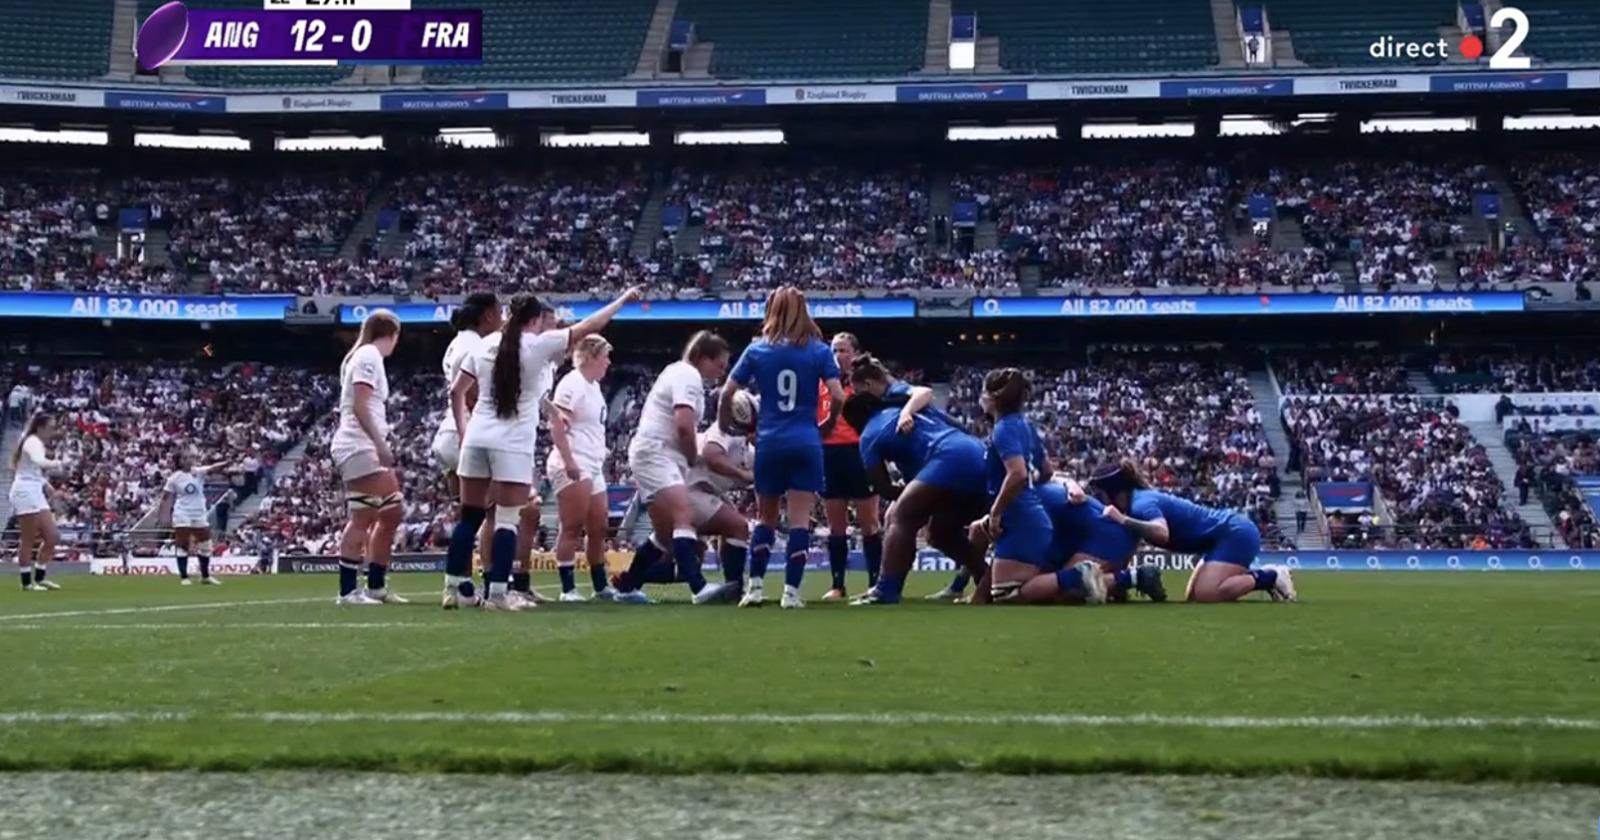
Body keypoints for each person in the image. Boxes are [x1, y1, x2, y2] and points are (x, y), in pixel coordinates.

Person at [450, 288, 638, 611]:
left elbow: (457, 391)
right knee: (508, 519)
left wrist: (464, 430)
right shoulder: (537, 345)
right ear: (535, 320)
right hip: (510, 443)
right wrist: (621, 301)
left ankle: (454, 589)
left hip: (476, 437)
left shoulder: (485, 345)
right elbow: (591, 325)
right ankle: (498, 594)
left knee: (469, 518)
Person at [718, 286, 845, 609]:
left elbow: (726, 393)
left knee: (766, 518)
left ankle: (756, 589)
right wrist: (827, 426)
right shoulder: (818, 351)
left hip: (770, 441)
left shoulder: (757, 350)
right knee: (800, 520)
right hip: (805, 440)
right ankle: (791, 593)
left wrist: (728, 426)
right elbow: (839, 396)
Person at [612, 331, 735, 604]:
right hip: (658, 452)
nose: (722, 371)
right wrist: (693, 457)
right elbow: (683, 425)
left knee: (666, 533)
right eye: (720, 364)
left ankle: (629, 587)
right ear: (703, 357)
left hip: (657, 453)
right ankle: (698, 587)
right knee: (683, 515)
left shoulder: (680, 374)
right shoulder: (687, 375)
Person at [840, 386, 989, 605]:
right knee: (940, 532)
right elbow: (959, 427)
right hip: (976, 452)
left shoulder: (869, 434)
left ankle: (886, 590)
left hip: (946, 457)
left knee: (901, 516)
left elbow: (884, 489)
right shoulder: (913, 411)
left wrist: (907, 494)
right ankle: (988, 579)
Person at [968, 368, 1102, 605]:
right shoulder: (1025, 426)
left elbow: (1018, 474)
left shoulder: (1004, 429)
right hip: (1030, 516)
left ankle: (1077, 575)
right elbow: (1046, 471)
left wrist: (997, 511)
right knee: (1005, 584)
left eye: (983, 392)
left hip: (1021, 520)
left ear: (993, 397)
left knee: (1006, 595)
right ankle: (1074, 581)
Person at [1088, 461, 1297, 603]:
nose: (1097, 500)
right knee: (1194, 598)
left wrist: (1122, 520)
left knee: (1209, 594)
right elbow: (1126, 551)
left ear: (1112, 491)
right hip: (1220, 538)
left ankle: (1271, 576)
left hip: (1235, 533)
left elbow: (1162, 533)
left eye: (1099, 493)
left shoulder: (1141, 505)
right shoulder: (1134, 506)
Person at [431, 292, 502, 607]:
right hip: (467, 435)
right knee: (489, 513)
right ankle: (492, 584)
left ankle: (457, 585)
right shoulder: (476, 345)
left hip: (447, 435)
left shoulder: (455, 343)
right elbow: (467, 392)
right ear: (487, 315)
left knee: (469, 516)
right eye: (499, 312)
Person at [331, 309, 406, 606]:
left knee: (392, 511)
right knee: (363, 516)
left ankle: (375, 585)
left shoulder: (365, 356)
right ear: (392, 334)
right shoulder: (368, 357)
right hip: (358, 444)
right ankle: (348, 591)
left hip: (364, 443)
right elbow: (360, 405)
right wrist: (379, 443)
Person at [546, 334, 618, 602]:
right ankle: (568, 589)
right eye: (605, 356)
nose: (608, 362)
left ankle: (600, 586)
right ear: (591, 357)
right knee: (572, 526)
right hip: (574, 460)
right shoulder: (572, 383)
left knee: (599, 527)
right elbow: (558, 425)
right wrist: (569, 461)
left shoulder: (594, 387)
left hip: (593, 462)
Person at [816, 333, 882, 601]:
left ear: (854, 354)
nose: (838, 355)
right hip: (830, 453)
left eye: (843, 350)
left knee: (869, 523)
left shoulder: (864, 383)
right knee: (836, 526)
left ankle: (876, 582)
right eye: (834, 349)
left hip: (860, 452)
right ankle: (837, 585)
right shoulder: (821, 382)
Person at [9, 413, 66, 592]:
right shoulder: (32, 441)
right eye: (51, 427)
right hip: (24, 491)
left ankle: (40, 577)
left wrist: (48, 487)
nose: (53, 431)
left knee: (52, 536)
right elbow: (39, 462)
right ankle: (26, 582)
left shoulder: (35, 442)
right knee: (29, 538)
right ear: (40, 427)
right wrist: (59, 463)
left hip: (34, 490)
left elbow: (33, 471)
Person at [158, 451, 231, 586]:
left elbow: (213, 467)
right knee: (183, 545)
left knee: (206, 544)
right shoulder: (174, 478)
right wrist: (164, 515)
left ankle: (205, 576)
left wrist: (226, 463)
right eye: (185, 458)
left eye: (190, 457)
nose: (189, 460)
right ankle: (184, 577)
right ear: (179, 461)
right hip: (182, 513)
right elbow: (165, 497)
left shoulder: (198, 471)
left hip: (199, 513)